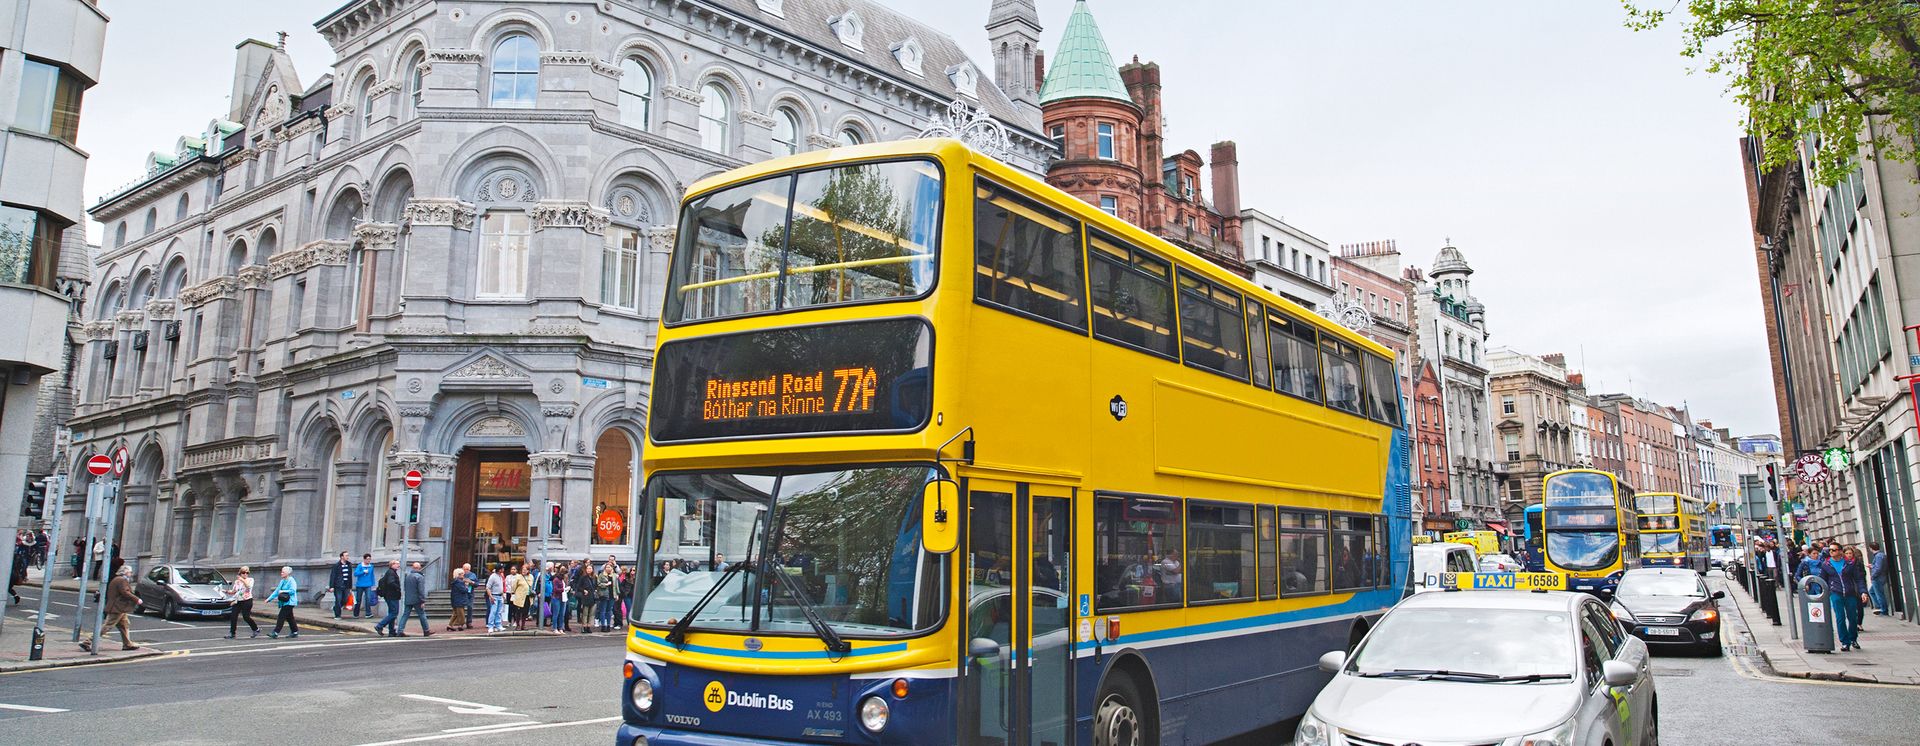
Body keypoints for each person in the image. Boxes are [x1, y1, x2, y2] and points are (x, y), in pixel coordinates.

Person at [81, 565, 142, 652]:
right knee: (107, 626)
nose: (131, 574)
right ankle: (87, 642)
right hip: (117, 607)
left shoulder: (117, 579)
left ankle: (127, 644)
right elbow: (125, 592)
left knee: (124, 625)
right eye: (130, 572)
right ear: (125, 572)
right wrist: (137, 599)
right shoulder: (121, 580)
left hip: (118, 607)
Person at [1836, 547, 1868, 651]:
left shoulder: (1855, 564)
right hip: (1837, 593)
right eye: (1847, 553)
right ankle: (1845, 642)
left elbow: (1860, 578)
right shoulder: (1829, 564)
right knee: (1840, 618)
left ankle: (1853, 639)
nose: (1849, 555)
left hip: (1853, 592)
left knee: (1853, 617)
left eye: (1851, 553)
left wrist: (1863, 591)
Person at [226, 566, 260, 639]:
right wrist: (224, 591)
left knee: (246, 617)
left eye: (247, 573)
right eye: (243, 572)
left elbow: (248, 586)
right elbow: (234, 591)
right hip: (238, 601)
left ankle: (256, 629)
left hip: (247, 600)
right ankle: (232, 633)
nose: (245, 574)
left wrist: (242, 580)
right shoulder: (237, 582)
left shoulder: (250, 580)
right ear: (240, 573)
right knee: (233, 616)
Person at [267, 566, 300, 639]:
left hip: (290, 602)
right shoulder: (282, 581)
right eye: (281, 572)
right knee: (290, 617)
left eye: (283, 572)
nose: (281, 573)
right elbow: (277, 591)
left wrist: (283, 591)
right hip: (284, 602)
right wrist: (269, 599)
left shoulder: (291, 580)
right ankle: (295, 632)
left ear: (288, 573)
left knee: (281, 616)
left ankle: (275, 632)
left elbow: (293, 591)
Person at [374, 560, 404, 637]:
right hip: (392, 595)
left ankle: (391, 631)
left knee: (392, 613)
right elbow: (391, 582)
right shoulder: (391, 573)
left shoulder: (391, 572)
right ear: (392, 565)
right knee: (394, 613)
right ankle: (380, 626)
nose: (398, 565)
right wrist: (398, 588)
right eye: (397, 564)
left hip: (390, 595)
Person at [402, 561, 432, 637]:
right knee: (422, 614)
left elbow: (405, 587)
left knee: (405, 615)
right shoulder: (420, 577)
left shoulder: (408, 576)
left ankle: (400, 630)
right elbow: (421, 590)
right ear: (419, 568)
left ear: (412, 568)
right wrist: (422, 600)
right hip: (417, 599)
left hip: (408, 598)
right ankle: (426, 630)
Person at [1867, 542, 1891, 616]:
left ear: (1871, 548)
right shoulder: (1881, 555)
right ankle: (1880, 607)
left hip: (1878, 577)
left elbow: (1878, 568)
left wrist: (1873, 575)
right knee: (1872, 591)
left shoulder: (1878, 556)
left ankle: (1883, 609)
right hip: (1881, 576)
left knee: (1879, 594)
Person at [329, 551, 354, 619]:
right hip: (338, 586)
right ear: (342, 557)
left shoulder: (349, 565)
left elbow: (350, 577)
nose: (347, 557)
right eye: (346, 556)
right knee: (338, 600)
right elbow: (333, 576)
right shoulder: (336, 565)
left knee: (345, 600)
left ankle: (335, 608)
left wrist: (350, 587)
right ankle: (338, 615)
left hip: (346, 586)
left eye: (348, 555)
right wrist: (331, 586)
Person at [447, 567, 472, 632]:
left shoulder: (455, 581)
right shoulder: (459, 582)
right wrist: (466, 585)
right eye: (462, 574)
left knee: (455, 613)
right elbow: (463, 590)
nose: (463, 575)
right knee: (461, 614)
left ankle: (450, 625)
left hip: (455, 599)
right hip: (460, 600)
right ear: (458, 574)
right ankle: (460, 625)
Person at [353, 553, 377, 618]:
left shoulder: (371, 566)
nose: (368, 561)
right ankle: (356, 613)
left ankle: (368, 613)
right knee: (358, 599)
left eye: (369, 559)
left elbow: (372, 575)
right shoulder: (360, 566)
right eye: (367, 559)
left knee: (368, 598)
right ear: (364, 559)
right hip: (360, 585)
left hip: (368, 584)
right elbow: (355, 574)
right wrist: (363, 572)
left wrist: (373, 584)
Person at [509, 564, 531, 630]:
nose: (523, 571)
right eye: (522, 570)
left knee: (525, 612)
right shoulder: (518, 577)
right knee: (518, 611)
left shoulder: (531, 577)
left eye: (525, 570)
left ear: (528, 570)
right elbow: (514, 586)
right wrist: (513, 593)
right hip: (519, 597)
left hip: (527, 597)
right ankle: (518, 625)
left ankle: (523, 625)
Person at [486, 564, 507, 632]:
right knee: (493, 611)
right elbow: (488, 587)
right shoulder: (493, 577)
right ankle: (490, 626)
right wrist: (491, 596)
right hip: (494, 596)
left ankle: (498, 625)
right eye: (502, 568)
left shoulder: (500, 576)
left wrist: (503, 594)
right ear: (499, 569)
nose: (503, 569)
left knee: (499, 612)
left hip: (500, 596)